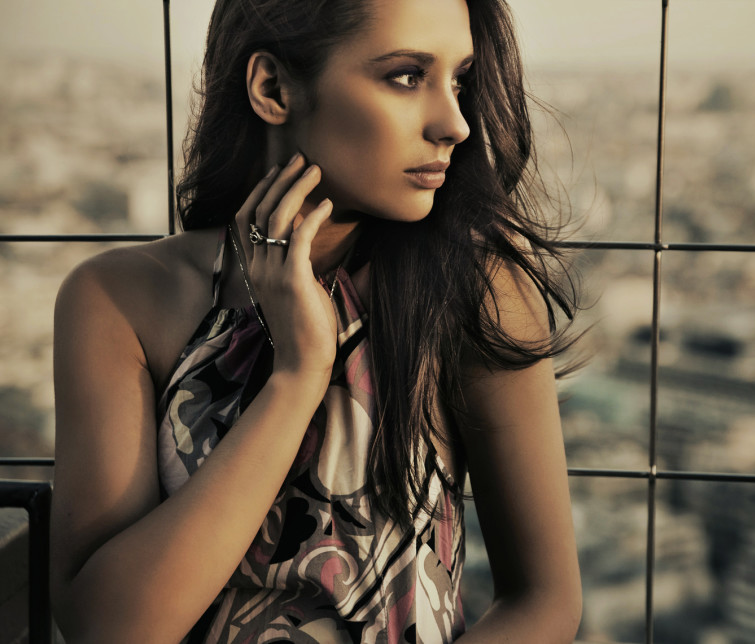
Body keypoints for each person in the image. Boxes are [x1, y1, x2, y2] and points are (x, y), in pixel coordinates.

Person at [49, 0, 582, 641]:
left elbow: (546, 601)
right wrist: (298, 377)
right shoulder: (120, 300)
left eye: (460, 80)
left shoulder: (475, 288)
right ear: (273, 88)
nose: (456, 123)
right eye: (408, 76)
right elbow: (104, 630)